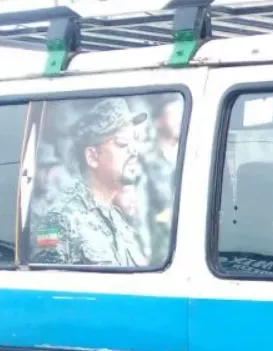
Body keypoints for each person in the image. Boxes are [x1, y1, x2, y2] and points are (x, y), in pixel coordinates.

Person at [29, 98, 151, 267]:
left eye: (135, 140)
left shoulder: (117, 219)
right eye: (123, 142)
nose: (134, 150)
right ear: (93, 157)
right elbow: (48, 286)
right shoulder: (58, 220)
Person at [138, 95, 183, 264]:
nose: (179, 120)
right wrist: (145, 250)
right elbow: (139, 210)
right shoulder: (146, 160)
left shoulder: (192, 155)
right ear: (159, 122)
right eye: (173, 115)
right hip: (160, 250)